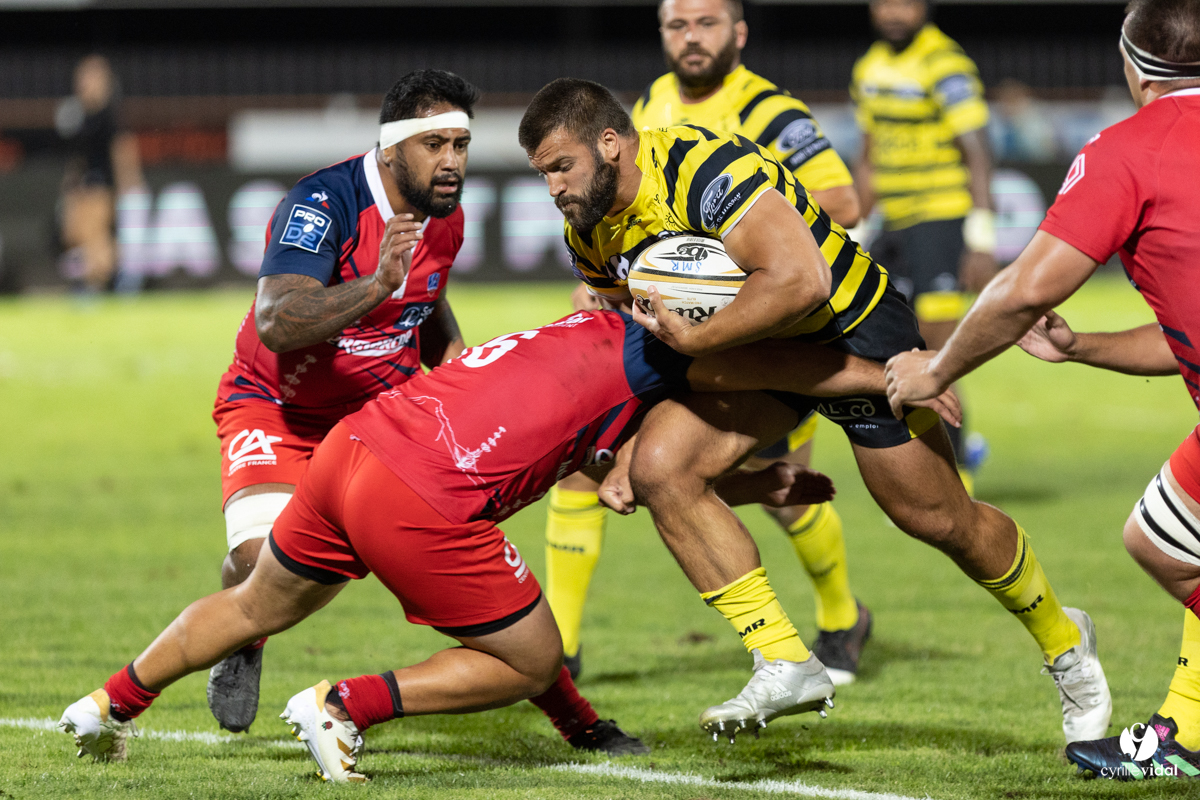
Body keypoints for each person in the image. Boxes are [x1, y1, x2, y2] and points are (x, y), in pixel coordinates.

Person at [58, 307, 953, 775]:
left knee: (258, 603)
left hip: (355, 449)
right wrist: (892, 376)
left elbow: (616, 477)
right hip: (423, 493)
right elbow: (770, 368)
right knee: (528, 655)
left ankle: (105, 706)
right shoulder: (672, 350)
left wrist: (752, 484)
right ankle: (343, 705)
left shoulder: (587, 334)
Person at [518, 77, 1110, 744]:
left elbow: (803, 281)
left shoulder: (700, 168)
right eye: (543, 174)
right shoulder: (588, 233)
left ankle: (1066, 642)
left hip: (847, 328)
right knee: (661, 468)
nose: (554, 189)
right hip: (751, 353)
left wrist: (702, 339)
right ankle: (784, 659)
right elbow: (653, 343)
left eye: (561, 167)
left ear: (609, 143)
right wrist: (627, 437)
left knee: (937, 518)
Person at [205, 69, 642, 755]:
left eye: (460, 145)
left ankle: (577, 718)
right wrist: (376, 283)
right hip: (278, 407)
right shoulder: (322, 202)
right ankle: (245, 634)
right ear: (392, 149)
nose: (451, 162)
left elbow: (426, 296)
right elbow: (277, 321)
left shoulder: (446, 215)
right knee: (263, 564)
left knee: (462, 556)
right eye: (434, 144)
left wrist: (458, 361)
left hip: (386, 411)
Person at [884, 0, 1200, 779]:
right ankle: (1185, 734)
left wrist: (936, 369)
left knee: (1166, 545)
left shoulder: (1130, 149)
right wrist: (1083, 346)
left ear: (1133, 66)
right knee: (1164, 537)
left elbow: (1027, 288)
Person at [542, 0, 872, 688]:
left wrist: (718, 255)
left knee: (781, 489)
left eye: (707, 23)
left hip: (761, 325)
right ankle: (558, 655)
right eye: (677, 25)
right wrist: (615, 283)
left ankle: (842, 618)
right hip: (666, 325)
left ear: (739, 33)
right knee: (586, 461)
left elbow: (841, 204)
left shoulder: (770, 111)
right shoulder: (646, 107)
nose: (691, 38)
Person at [850, 0, 994, 481]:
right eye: (885, 3)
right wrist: (856, 230)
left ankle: (957, 471)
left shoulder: (944, 63)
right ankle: (931, 462)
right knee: (889, 348)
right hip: (893, 225)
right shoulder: (869, 68)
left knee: (936, 353)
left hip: (941, 221)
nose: (894, 13)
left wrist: (981, 237)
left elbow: (977, 151)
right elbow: (868, 155)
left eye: (905, 3)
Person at [56, 55, 143, 293]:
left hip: (102, 185)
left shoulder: (109, 114)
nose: (84, 82)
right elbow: (76, 159)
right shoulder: (79, 115)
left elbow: (122, 149)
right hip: (83, 186)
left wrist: (129, 182)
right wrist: (70, 187)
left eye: (90, 77)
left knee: (97, 236)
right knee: (78, 236)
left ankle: (105, 284)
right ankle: (99, 281)